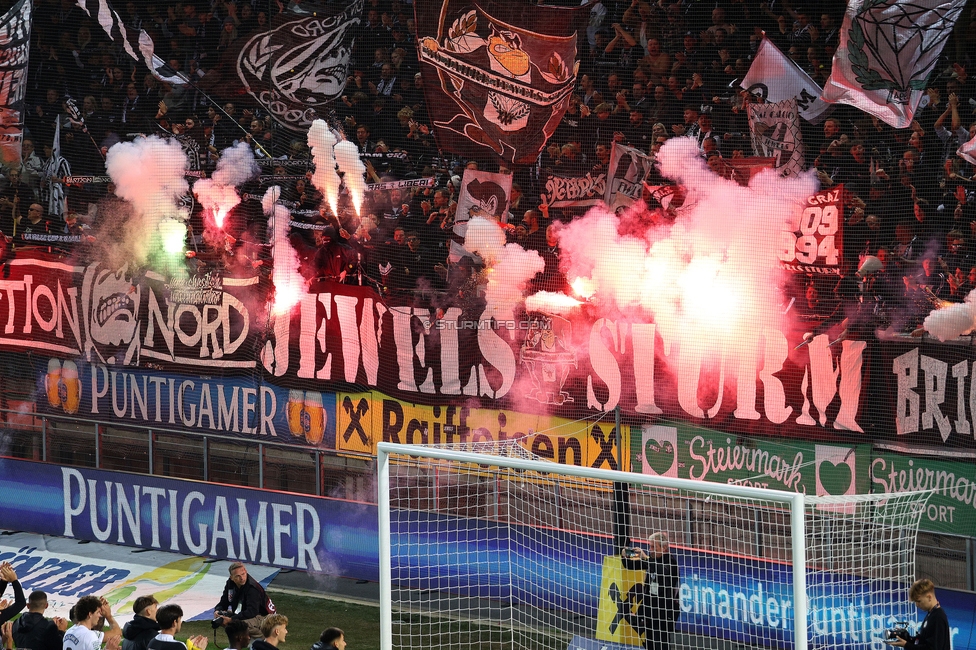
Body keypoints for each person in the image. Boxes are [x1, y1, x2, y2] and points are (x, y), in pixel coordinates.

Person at [620, 532, 680, 650]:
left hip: (664, 613)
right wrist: (625, 553)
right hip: (650, 611)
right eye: (650, 546)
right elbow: (630, 565)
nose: (650, 549)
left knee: (660, 645)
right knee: (649, 645)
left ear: (663, 548)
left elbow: (661, 570)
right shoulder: (651, 559)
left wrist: (644, 556)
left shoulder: (670, 561)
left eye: (653, 547)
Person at [214, 563, 275, 639]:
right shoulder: (230, 583)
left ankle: (266, 636)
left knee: (238, 625)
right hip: (250, 613)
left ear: (246, 571)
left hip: (264, 617)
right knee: (227, 621)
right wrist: (217, 611)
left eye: (243, 574)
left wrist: (231, 619)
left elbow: (252, 611)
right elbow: (224, 601)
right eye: (238, 576)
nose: (242, 578)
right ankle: (244, 639)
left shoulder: (252, 588)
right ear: (232, 578)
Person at [889, 579, 949, 650]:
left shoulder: (938, 617)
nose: (917, 605)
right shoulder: (931, 614)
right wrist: (908, 639)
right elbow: (922, 643)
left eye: (919, 601)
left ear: (929, 597)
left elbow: (932, 648)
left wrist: (907, 645)